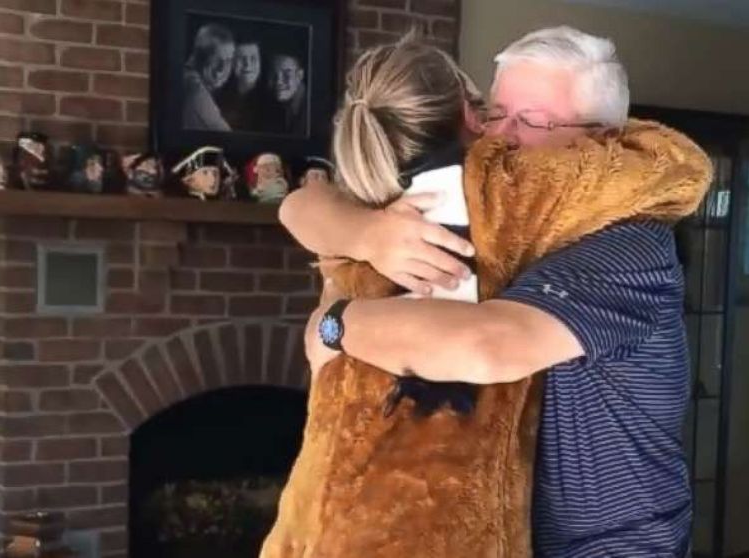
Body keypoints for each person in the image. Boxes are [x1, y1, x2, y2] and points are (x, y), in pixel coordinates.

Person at [276, 27, 708, 557]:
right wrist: (368, 234)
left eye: (532, 121)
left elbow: (489, 344)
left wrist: (335, 324)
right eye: (495, 113)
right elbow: (304, 204)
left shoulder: (630, 243)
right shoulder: (496, 216)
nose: (501, 138)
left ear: (603, 140)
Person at [182, 24, 234, 131]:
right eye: (216, 59)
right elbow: (228, 140)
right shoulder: (194, 89)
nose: (222, 68)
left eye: (228, 60)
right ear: (199, 57)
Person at [217, 40, 264, 130]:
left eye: (253, 58)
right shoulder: (218, 97)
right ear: (232, 62)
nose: (247, 64)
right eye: (241, 58)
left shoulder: (270, 103)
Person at [266, 53, 307, 135]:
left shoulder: (311, 110)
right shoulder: (272, 105)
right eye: (274, 74)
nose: (278, 81)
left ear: (299, 75)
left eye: (286, 74)